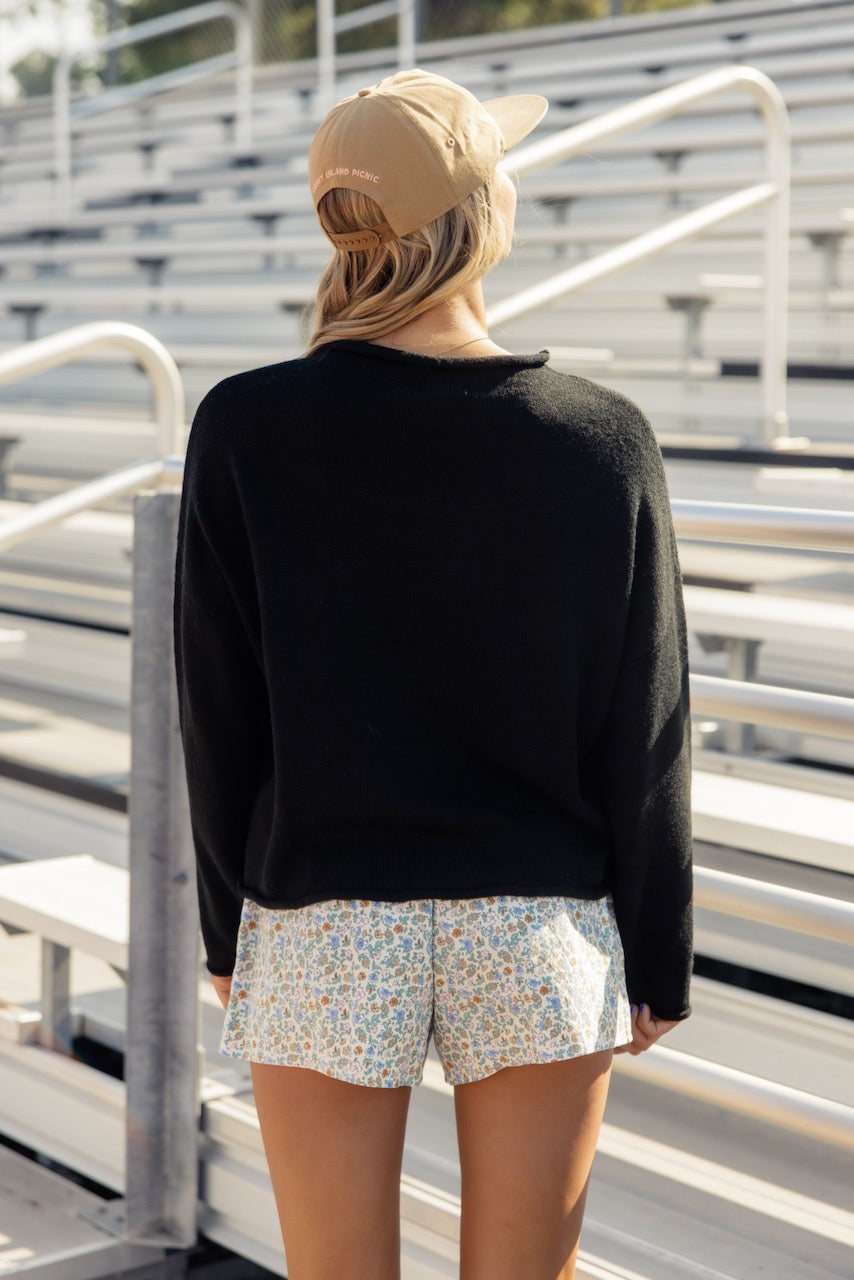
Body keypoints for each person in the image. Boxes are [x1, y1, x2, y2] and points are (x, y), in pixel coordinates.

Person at [173, 68, 693, 1280]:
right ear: (479, 212)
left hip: (321, 918)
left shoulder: (245, 426)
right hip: (533, 920)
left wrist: (224, 926)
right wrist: (659, 954)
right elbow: (648, 722)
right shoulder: (597, 436)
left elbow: (216, 710)